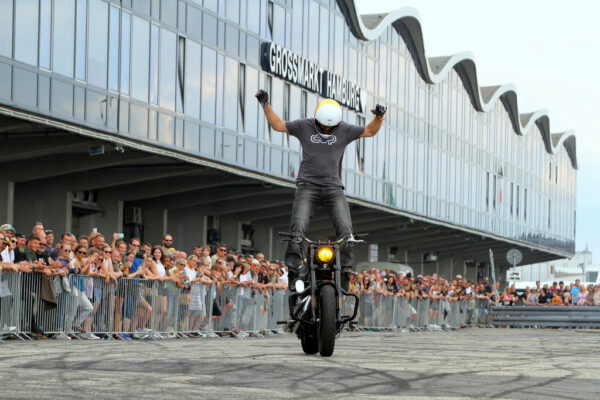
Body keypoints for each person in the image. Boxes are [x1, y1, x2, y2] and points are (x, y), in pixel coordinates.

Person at [255, 89, 386, 289]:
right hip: (307, 186)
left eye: (330, 126)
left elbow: (369, 131)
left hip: (334, 188)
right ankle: (293, 276)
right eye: (323, 125)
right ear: (316, 118)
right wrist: (266, 105)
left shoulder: (344, 129)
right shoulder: (303, 126)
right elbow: (278, 125)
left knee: (347, 234)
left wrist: (379, 117)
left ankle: (344, 276)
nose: (326, 128)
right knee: (297, 230)